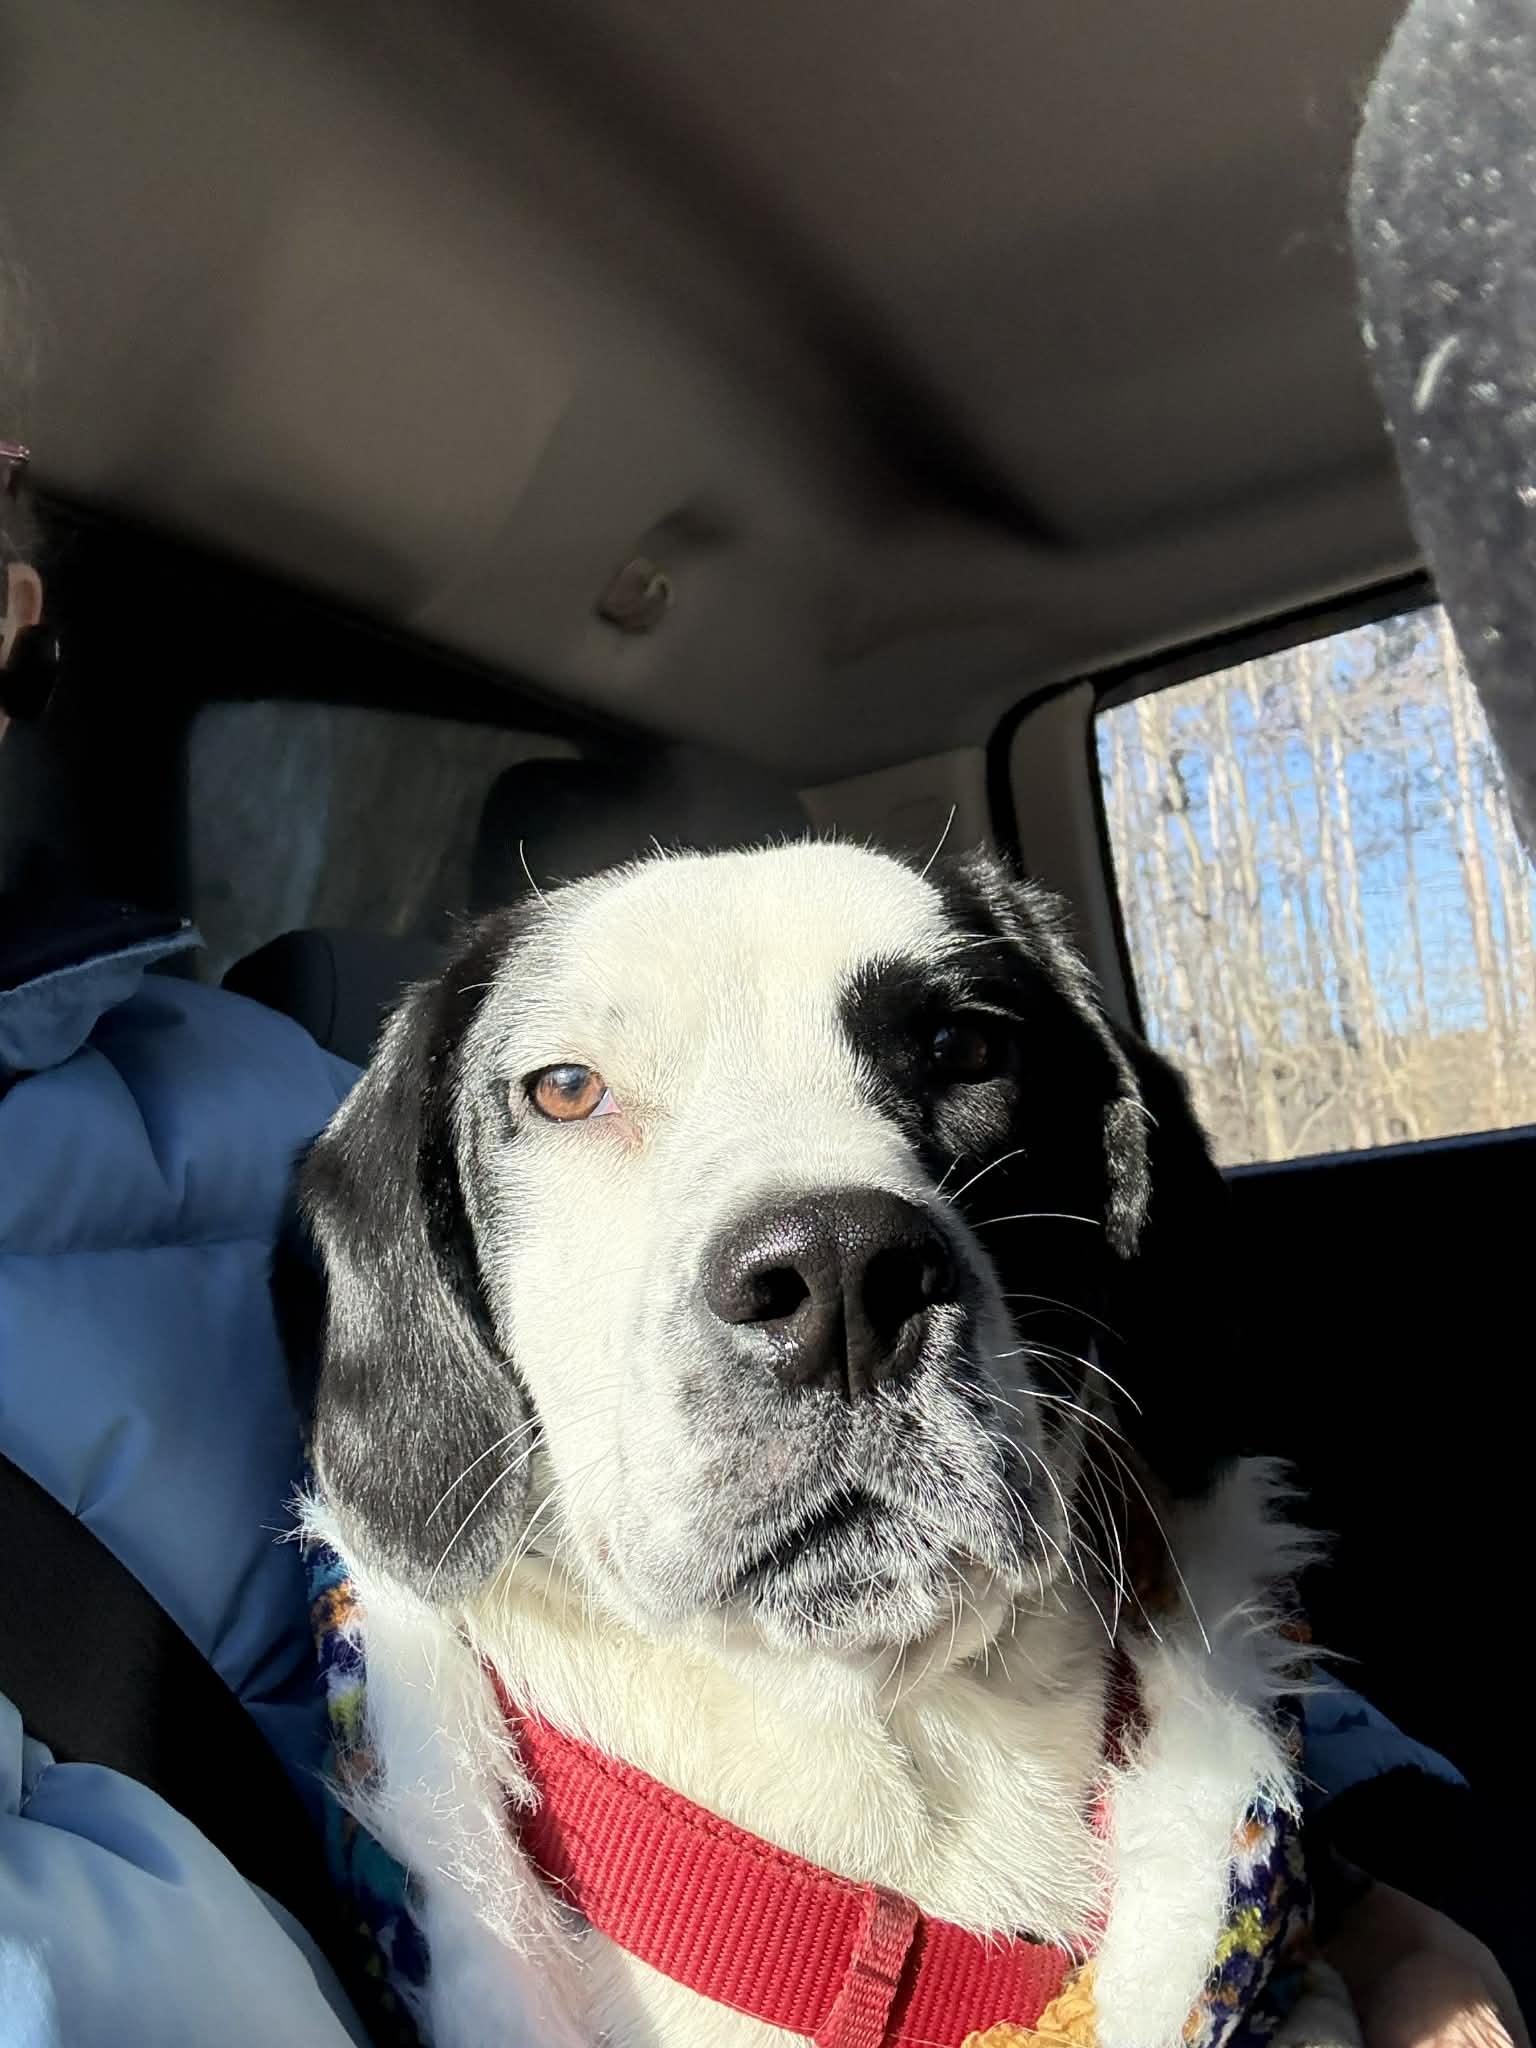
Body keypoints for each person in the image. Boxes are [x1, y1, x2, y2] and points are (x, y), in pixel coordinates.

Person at [0, 277, 1520, 2048]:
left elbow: (1168, 1550)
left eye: (949, 1053)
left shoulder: (273, 1095)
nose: (830, 1255)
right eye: (577, 1096)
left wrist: (1385, 1898)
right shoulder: (384, 1146)